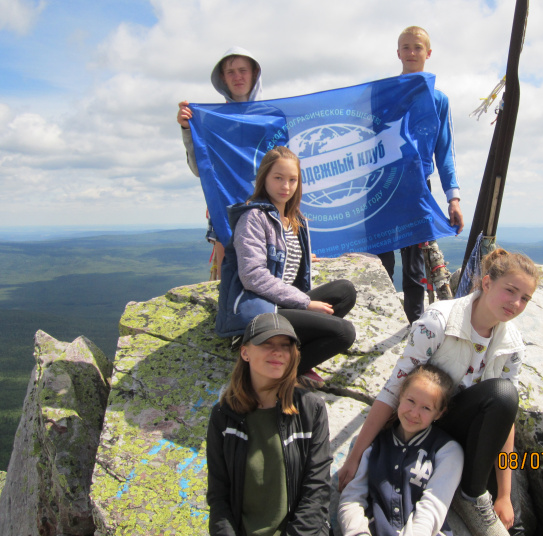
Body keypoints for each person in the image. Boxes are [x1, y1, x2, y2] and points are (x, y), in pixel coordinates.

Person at [339, 248, 541, 536]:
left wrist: (506, 495)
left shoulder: (512, 343)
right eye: (510, 290)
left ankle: (487, 505)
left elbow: (504, 418)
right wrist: (355, 456)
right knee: (502, 392)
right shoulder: (439, 321)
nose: (516, 303)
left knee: (511, 520)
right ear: (486, 283)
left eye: (525, 298)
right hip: (428, 424)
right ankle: (471, 495)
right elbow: (395, 387)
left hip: (471, 436)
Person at [215, 146, 356, 388]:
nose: (286, 186)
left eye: (292, 180)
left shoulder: (294, 219)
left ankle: (289, 356)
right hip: (258, 313)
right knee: (344, 333)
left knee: (345, 291)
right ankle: (278, 376)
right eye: (278, 178)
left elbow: (280, 258)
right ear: (264, 178)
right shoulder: (253, 218)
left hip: (280, 304)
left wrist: (300, 256)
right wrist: (305, 303)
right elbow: (253, 276)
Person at [206, 313, 332, 535]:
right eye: (267, 343)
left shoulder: (311, 410)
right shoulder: (223, 416)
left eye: (285, 345)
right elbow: (218, 497)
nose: (278, 352)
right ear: (245, 352)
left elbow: (317, 492)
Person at [377, 26, 464, 325]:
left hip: (416, 188)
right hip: (382, 185)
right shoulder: (381, 94)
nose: (411, 53)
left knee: (413, 266)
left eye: (417, 47)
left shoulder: (439, 100)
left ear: (428, 53)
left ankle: (414, 326)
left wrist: (453, 197)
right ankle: (381, 319)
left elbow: (445, 150)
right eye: (406, 47)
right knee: (381, 261)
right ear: (398, 52)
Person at [338, 365, 464, 536]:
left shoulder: (448, 451)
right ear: (400, 396)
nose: (414, 413)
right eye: (410, 401)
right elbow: (352, 497)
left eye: (426, 408)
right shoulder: (375, 442)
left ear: (439, 413)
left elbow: (432, 508)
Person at [177, 46, 263, 279]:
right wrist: (188, 130)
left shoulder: (270, 118)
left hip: (266, 211)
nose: (237, 77)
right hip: (226, 212)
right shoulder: (212, 121)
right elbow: (199, 169)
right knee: (226, 282)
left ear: (254, 73)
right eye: (230, 72)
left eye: (242, 70)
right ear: (222, 78)